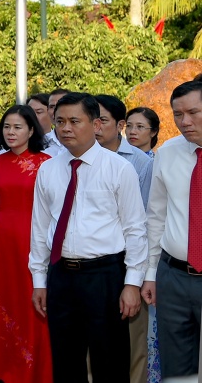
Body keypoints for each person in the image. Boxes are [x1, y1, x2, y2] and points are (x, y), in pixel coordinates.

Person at [30, 92, 147, 383]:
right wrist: (40, 281)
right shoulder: (48, 169)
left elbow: (135, 229)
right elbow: (40, 228)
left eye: (74, 121)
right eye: (60, 121)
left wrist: (132, 284)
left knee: (110, 361)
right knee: (66, 361)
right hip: (61, 275)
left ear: (95, 124)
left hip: (105, 276)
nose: (65, 128)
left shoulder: (119, 168)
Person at [0, 104, 51, 383]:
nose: (10, 132)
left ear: (31, 130)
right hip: (3, 243)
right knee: (0, 304)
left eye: (18, 127)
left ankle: (34, 372)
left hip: (35, 242)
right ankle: (0, 370)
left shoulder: (46, 163)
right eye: (7, 127)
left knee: (32, 304)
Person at [94, 94, 156, 383]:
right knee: (92, 336)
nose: (95, 127)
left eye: (102, 121)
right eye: (91, 120)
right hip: (91, 261)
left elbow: (144, 221)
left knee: (132, 338)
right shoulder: (75, 160)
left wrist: (140, 273)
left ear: (120, 124)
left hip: (128, 259)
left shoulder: (141, 163)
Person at [143, 80, 202, 379]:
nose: (184, 121)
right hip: (173, 277)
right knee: (176, 370)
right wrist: (151, 273)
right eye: (178, 114)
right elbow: (156, 216)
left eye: (193, 112)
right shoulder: (168, 152)